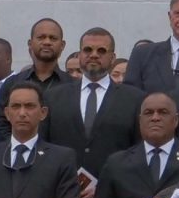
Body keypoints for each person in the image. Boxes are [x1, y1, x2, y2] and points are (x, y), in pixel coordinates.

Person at [0, 82, 87, 198]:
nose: (22, 113)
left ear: (43, 113)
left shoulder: (61, 159)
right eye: (16, 106)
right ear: (7, 113)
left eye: (29, 106)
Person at [46, 27, 144, 165]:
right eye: (87, 50)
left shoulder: (134, 99)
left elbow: (138, 148)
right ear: (79, 55)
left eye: (101, 51)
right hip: (64, 181)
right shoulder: (53, 97)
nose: (94, 55)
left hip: (114, 183)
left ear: (113, 58)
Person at [97, 94, 179, 198]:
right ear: (140, 120)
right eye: (148, 113)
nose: (155, 118)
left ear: (176, 120)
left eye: (163, 112)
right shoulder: (116, 164)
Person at [0, 19, 70, 139]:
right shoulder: (12, 83)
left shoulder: (73, 86)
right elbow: (1, 125)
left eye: (53, 38)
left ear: (62, 45)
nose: (47, 42)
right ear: (30, 43)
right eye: (41, 37)